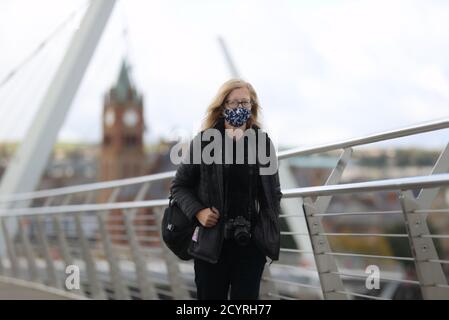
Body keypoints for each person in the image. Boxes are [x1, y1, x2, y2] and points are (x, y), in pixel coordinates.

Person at [170, 78, 282, 300]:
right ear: (223, 107)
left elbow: (274, 193)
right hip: (211, 244)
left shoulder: (262, 142)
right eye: (234, 103)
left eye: (245, 103)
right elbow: (179, 186)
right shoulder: (204, 142)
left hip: (249, 244)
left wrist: (264, 233)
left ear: (252, 107)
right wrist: (199, 212)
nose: (240, 108)